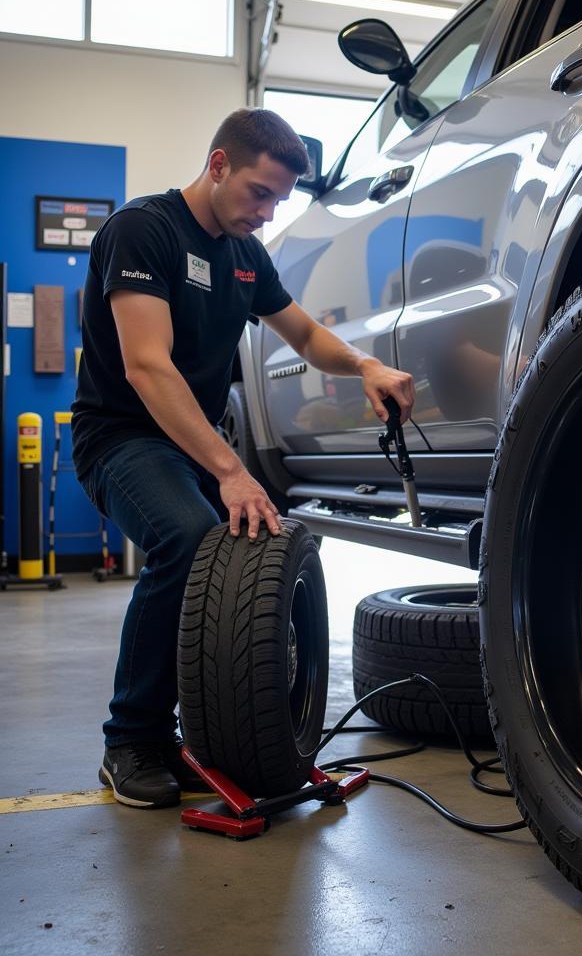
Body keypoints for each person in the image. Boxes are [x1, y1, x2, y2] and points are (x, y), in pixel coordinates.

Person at [72, 108, 415, 809]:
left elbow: (307, 335)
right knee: (188, 539)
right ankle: (129, 739)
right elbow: (146, 367)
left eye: (280, 200)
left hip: (192, 437)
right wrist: (230, 468)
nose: (267, 211)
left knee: (252, 543)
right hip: (122, 436)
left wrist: (366, 365)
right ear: (219, 164)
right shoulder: (145, 230)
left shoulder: (245, 256)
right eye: (260, 193)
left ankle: (199, 734)